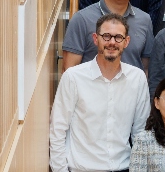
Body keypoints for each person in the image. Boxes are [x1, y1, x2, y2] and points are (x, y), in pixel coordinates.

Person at [50, 14, 151, 172]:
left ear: (127, 42)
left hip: (123, 167)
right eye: (106, 36)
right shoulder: (73, 77)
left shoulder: (137, 78)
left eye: (118, 37)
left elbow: (141, 132)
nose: (112, 42)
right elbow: (57, 129)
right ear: (95, 39)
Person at [62, 0, 154, 72]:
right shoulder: (82, 19)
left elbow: (146, 67)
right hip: (92, 88)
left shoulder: (144, 19)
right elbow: (69, 69)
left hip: (131, 89)